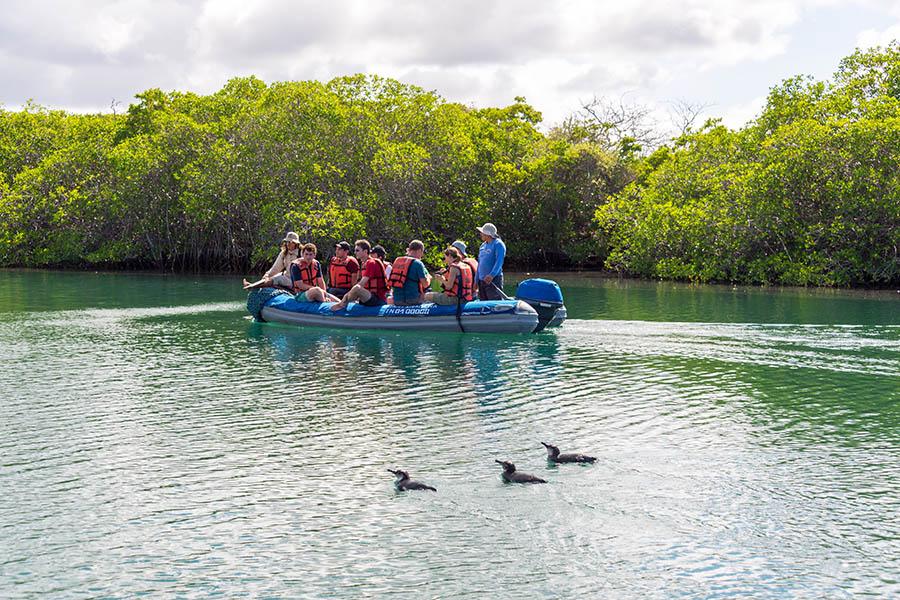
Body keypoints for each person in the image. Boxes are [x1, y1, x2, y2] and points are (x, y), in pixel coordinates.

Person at [329, 240, 389, 311]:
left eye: (357, 250)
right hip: (368, 297)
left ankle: (341, 304)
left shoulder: (371, 263)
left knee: (357, 288)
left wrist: (345, 297)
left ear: (365, 251)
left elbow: (360, 284)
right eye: (355, 250)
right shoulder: (364, 264)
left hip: (377, 299)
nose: (355, 253)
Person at [388, 240, 431, 306]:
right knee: (429, 293)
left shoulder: (397, 261)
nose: (422, 255)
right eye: (422, 252)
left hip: (397, 300)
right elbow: (425, 285)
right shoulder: (418, 263)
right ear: (419, 250)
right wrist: (429, 277)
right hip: (413, 300)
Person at [475, 222, 507, 300]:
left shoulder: (498, 244)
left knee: (494, 304)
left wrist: (491, 275)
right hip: (481, 281)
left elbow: (499, 262)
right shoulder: (482, 245)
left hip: (494, 280)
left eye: (482, 232)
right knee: (483, 304)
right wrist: (476, 280)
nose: (481, 234)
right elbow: (480, 264)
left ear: (487, 234)